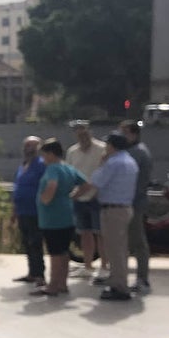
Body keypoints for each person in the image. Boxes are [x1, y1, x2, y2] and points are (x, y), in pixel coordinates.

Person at [73, 132, 139, 301]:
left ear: (112, 146)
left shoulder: (113, 163)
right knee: (120, 249)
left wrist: (101, 164)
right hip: (124, 208)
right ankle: (118, 280)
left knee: (114, 250)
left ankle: (120, 287)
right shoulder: (130, 161)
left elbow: (96, 181)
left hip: (112, 209)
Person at [33, 139, 87, 296]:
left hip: (52, 218)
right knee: (64, 252)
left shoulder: (53, 169)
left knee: (55, 252)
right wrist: (73, 196)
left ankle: (53, 285)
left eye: (44, 155)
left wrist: (45, 199)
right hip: (67, 215)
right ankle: (62, 283)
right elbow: (86, 184)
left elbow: (52, 185)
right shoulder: (68, 168)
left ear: (50, 154)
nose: (43, 159)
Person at [66, 121, 107, 282]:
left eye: (84, 130)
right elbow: (70, 174)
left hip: (98, 196)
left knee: (100, 233)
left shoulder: (102, 148)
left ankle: (104, 266)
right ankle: (88, 265)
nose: (81, 134)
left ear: (89, 131)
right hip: (79, 197)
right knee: (85, 232)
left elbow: (105, 172)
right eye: (78, 131)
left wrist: (96, 191)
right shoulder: (72, 151)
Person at [119, 120, 152, 295]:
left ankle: (142, 278)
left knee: (138, 242)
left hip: (134, 203)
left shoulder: (138, 153)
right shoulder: (132, 151)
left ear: (133, 134)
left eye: (124, 132)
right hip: (128, 202)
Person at [11, 136, 47, 286]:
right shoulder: (22, 165)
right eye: (26, 146)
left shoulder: (42, 165)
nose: (29, 149)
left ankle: (40, 275)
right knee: (26, 243)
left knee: (35, 243)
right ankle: (31, 273)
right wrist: (14, 212)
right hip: (22, 211)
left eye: (32, 146)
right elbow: (17, 189)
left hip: (36, 211)